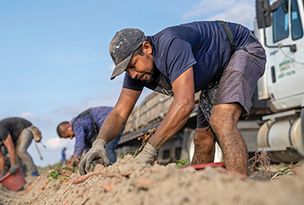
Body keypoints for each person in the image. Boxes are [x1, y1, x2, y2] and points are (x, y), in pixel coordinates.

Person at [79, 21, 266, 176]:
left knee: (221, 120)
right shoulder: (136, 73)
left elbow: (184, 104)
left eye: (133, 65)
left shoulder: (171, 45)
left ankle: (241, 192)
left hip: (241, 49)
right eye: (127, 70)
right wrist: (100, 142)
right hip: (215, 75)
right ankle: (202, 192)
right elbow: (120, 113)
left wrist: (149, 150)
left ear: (147, 48)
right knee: (201, 139)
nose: (132, 74)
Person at [57, 106, 124, 165]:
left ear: (68, 126)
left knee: (107, 148)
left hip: (115, 120)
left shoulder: (77, 124)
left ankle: (111, 170)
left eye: (68, 135)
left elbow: (79, 145)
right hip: (110, 122)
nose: (71, 138)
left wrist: (73, 161)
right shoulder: (82, 126)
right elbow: (88, 148)